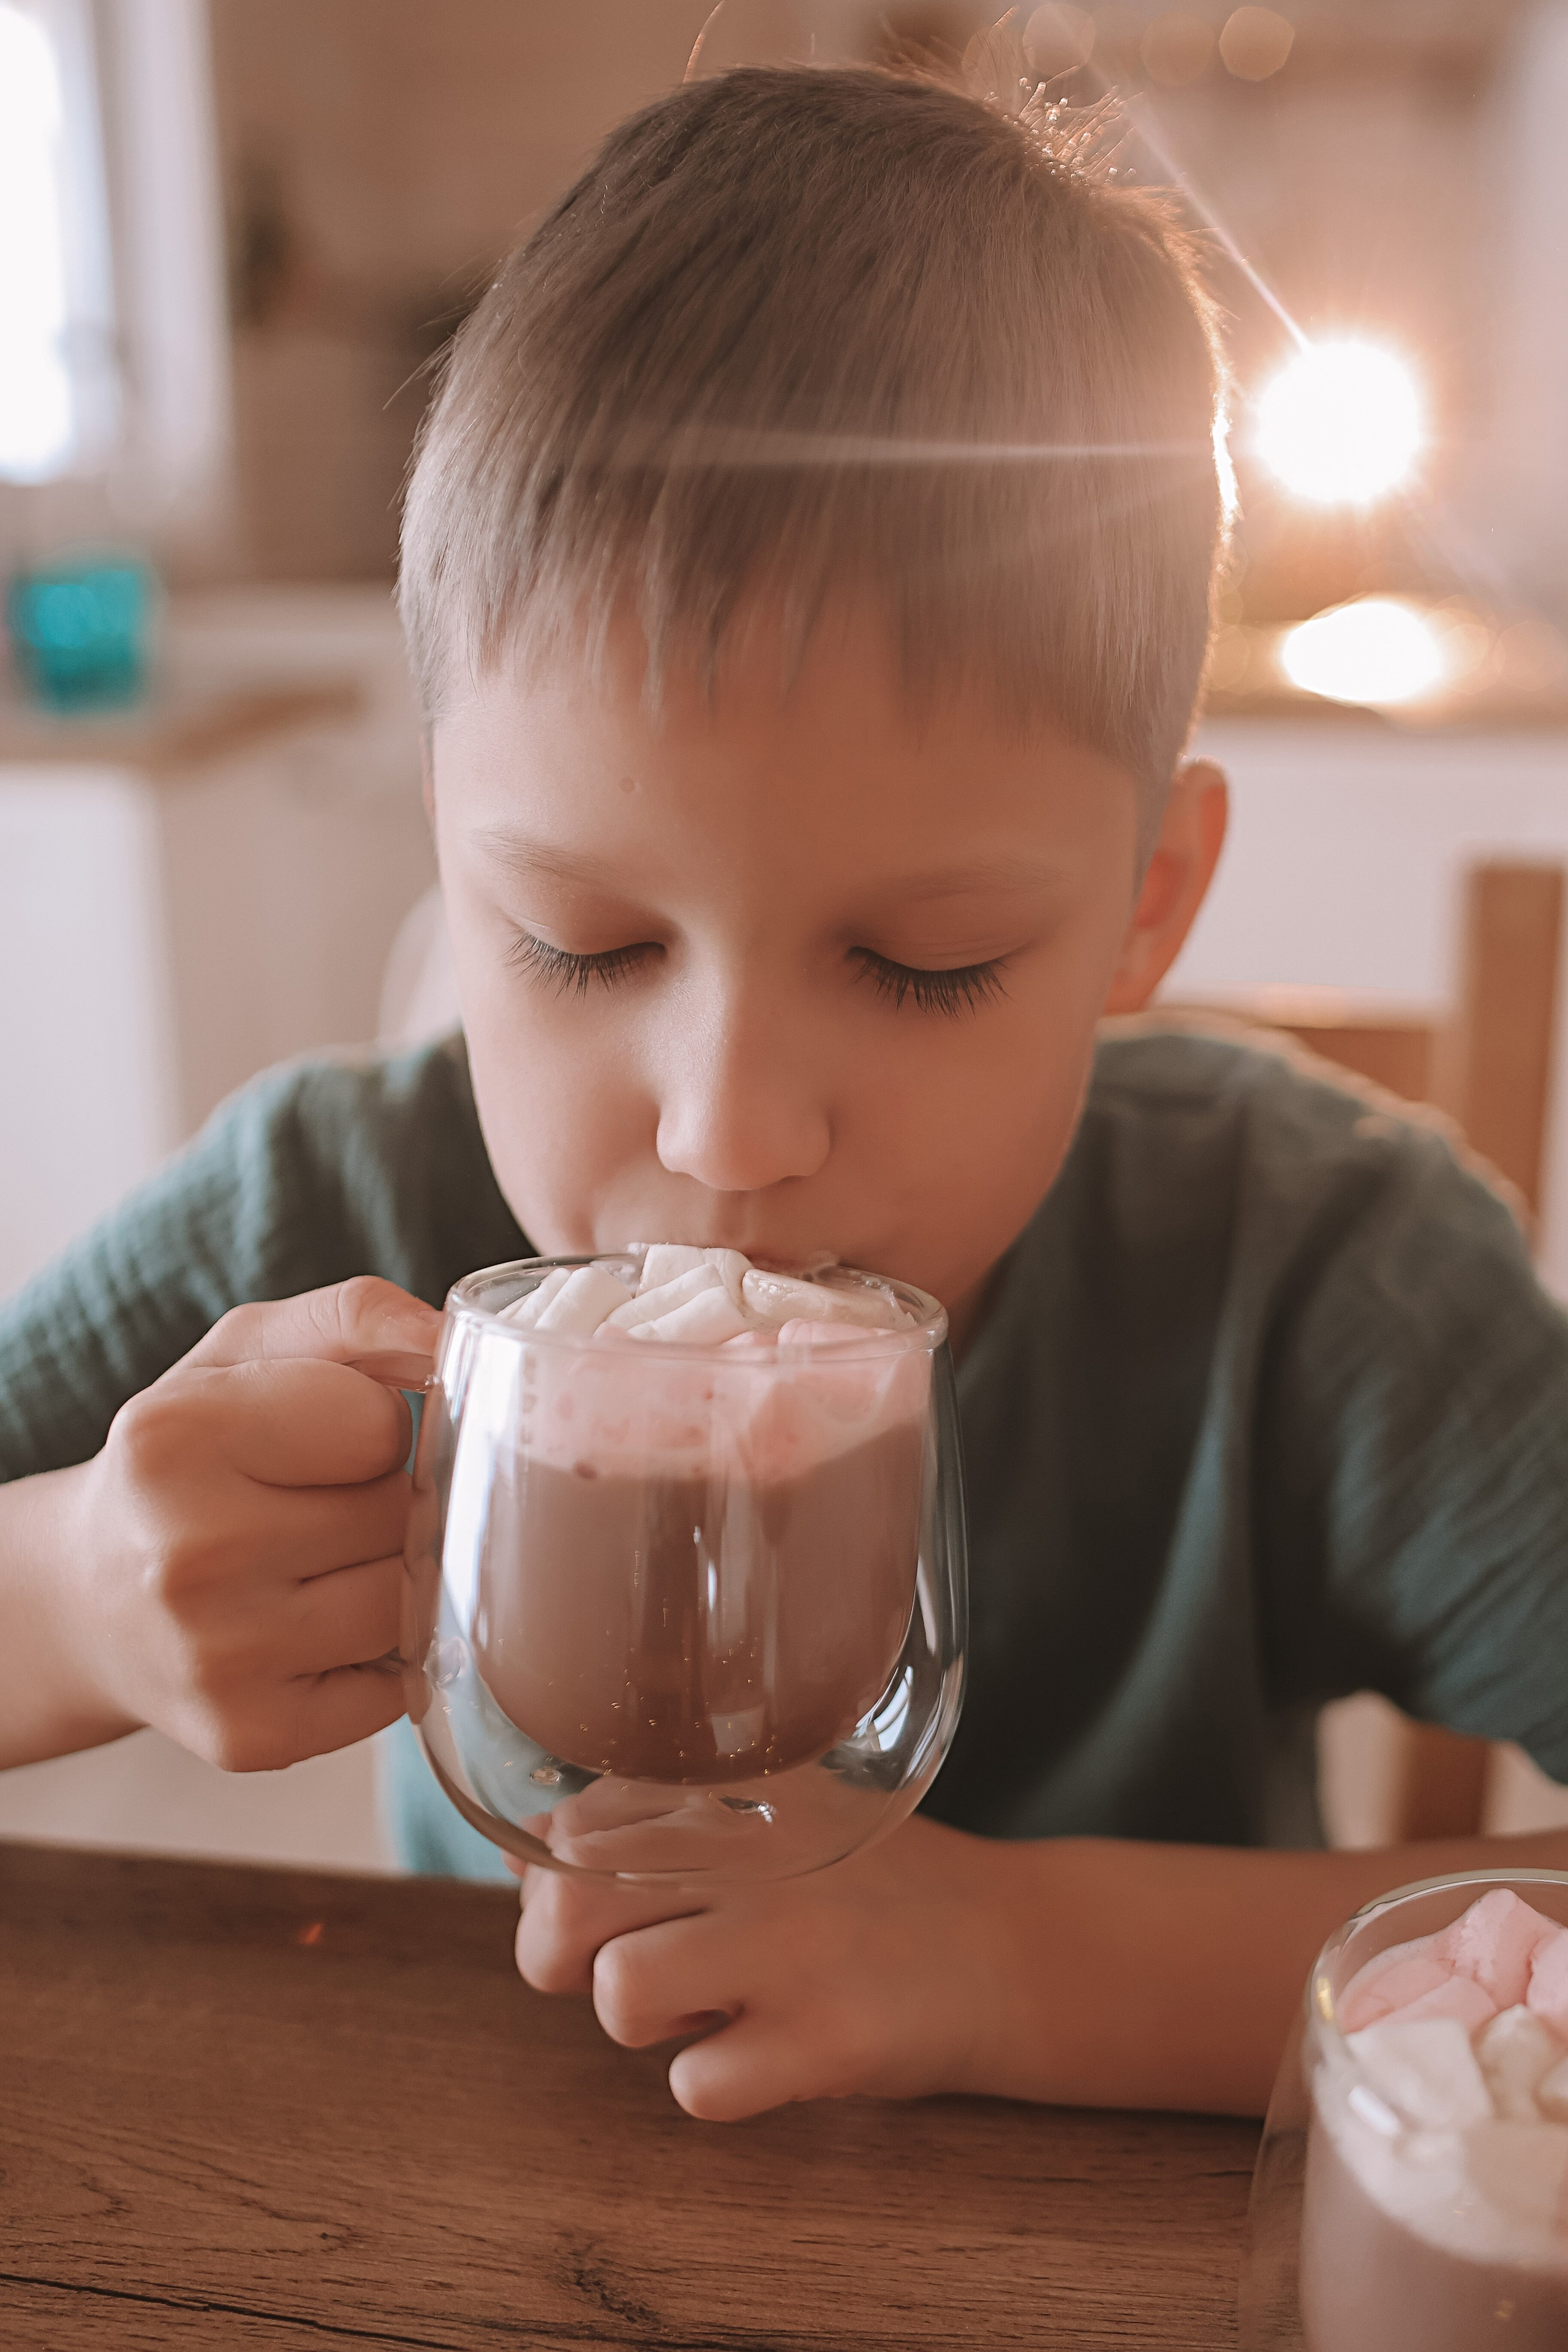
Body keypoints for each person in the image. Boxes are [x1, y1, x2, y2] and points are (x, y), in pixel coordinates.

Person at [4, 51, 1568, 2128]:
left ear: (1144, 901)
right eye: (584, 944)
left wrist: (1025, 1965)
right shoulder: (325, 1212)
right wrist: (67, 1593)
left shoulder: (1325, 1278)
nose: (728, 1133)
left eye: (920, 965)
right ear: (448, 840)